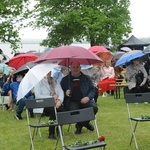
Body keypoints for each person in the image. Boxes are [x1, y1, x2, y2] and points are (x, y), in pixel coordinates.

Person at [61, 61, 98, 134]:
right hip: (72, 101)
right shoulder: (65, 80)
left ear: (80, 68)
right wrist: (65, 92)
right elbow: (60, 92)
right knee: (74, 112)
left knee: (94, 108)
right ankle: (86, 124)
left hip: (84, 100)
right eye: (73, 67)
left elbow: (93, 89)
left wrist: (88, 97)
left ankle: (80, 125)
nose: (75, 69)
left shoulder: (86, 78)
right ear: (70, 68)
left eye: (77, 67)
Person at [34, 71, 65, 139]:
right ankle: (51, 132)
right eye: (46, 71)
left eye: (49, 71)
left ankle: (59, 128)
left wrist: (59, 100)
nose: (48, 73)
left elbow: (61, 92)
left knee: (62, 109)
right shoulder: (39, 82)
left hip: (56, 103)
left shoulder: (55, 81)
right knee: (53, 110)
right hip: (43, 104)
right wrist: (51, 98)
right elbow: (38, 96)